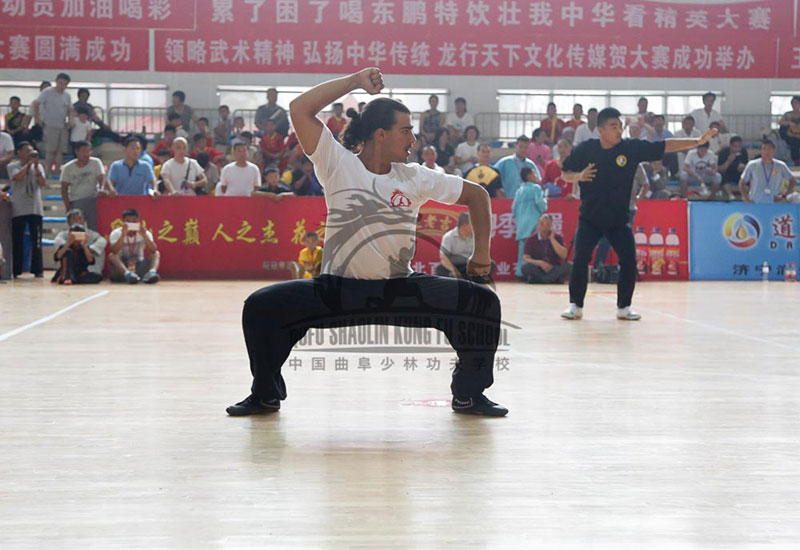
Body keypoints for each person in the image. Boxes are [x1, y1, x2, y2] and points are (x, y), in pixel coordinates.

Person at [227, 67, 506, 417]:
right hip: (336, 292)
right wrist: (353, 82)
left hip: (398, 290)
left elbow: (478, 196)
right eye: (406, 131)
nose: (413, 140)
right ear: (380, 134)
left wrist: (482, 256)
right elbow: (299, 109)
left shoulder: (414, 176)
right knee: (261, 306)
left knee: (482, 303)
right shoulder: (337, 163)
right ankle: (265, 394)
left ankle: (469, 394)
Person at [559, 107, 716, 321]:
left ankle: (624, 307)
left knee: (629, 260)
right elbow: (565, 173)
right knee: (580, 259)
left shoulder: (630, 148)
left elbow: (665, 146)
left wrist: (697, 141)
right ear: (602, 130)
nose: (619, 129)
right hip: (590, 218)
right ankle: (575, 305)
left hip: (618, 219)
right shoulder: (586, 149)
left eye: (620, 126)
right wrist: (579, 176)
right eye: (614, 126)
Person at [7, 142, 47, 278]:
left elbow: (43, 183)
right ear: (19, 152)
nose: (29, 154)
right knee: (17, 239)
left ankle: (37, 269)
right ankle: (17, 269)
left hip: (35, 207)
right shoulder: (13, 165)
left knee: (37, 240)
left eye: (31, 151)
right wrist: (28, 165)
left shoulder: (38, 166)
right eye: (26, 151)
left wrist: (36, 168)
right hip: (19, 207)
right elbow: (17, 177)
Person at [59, 141, 106, 229]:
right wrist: (68, 206)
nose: (86, 154)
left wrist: (102, 189)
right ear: (77, 152)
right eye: (84, 151)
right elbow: (64, 189)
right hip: (76, 201)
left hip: (93, 200)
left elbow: (101, 178)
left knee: (95, 227)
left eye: (88, 151)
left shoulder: (96, 162)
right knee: (77, 228)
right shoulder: (68, 167)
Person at [52, 209, 106, 285]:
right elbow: (58, 255)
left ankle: (75, 279)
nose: (77, 220)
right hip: (67, 269)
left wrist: (85, 246)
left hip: (81, 272)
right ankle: (68, 277)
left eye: (80, 218)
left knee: (98, 277)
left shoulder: (90, 234)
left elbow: (90, 260)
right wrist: (69, 242)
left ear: (84, 220)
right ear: (68, 221)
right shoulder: (64, 235)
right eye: (74, 218)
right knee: (68, 252)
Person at [435, 212, 496, 278]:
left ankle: (469, 279)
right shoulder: (448, 237)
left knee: (490, 264)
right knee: (440, 269)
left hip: (470, 266)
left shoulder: (476, 237)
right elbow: (444, 258)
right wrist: (454, 270)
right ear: (464, 225)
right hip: (455, 266)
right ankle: (465, 279)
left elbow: (480, 254)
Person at [512, 166, 547, 277]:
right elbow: (541, 205)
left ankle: (520, 272)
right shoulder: (536, 188)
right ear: (529, 176)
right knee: (536, 250)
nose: (536, 176)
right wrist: (545, 203)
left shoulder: (519, 191)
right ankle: (534, 274)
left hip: (521, 225)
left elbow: (514, 209)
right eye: (534, 174)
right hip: (534, 223)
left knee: (522, 251)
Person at [33, 72, 71, 175]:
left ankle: (58, 172)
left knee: (60, 151)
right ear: (56, 82)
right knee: (50, 150)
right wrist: (38, 119)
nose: (62, 85)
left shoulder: (67, 95)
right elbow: (36, 103)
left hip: (62, 125)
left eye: (64, 84)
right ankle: (47, 172)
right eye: (60, 83)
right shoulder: (47, 92)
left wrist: (70, 120)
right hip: (50, 125)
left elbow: (70, 109)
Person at [108, 208, 160, 284]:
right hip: (122, 267)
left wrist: (144, 235)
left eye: (134, 221)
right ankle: (128, 275)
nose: (131, 224)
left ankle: (152, 273)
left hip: (139, 265)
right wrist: (123, 235)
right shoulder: (116, 233)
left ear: (138, 221)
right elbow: (114, 251)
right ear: (123, 221)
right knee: (111, 255)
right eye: (128, 221)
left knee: (156, 253)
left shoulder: (145, 232)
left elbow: (153, 250)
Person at [520, 214, 571, 284]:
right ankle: (552, 279)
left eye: (547, 224)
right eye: (542, 224)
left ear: (551, 226)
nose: (544, 227)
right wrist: (540, 263)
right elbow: (525, 258)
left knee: (570, 266)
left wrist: (552, 239)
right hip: (539, 269)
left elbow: (564, 255)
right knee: (525, 267)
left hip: (554, 268)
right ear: (538, 225)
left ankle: (540, 280)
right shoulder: (531, 239)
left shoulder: (557, 237)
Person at [715, 136, 748, 201]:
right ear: (730, 146)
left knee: (746, 175)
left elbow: (747, 165)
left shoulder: (743, 152)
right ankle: (730, 194)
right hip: (727, 173)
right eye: (735, 146)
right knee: (722, 175)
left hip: (738, 173)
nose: (737, 149)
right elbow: (720, 169)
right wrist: (729, 161)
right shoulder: (723, 152)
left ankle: (745, 195)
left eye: (739, 146)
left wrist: (744, 167)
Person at [778, 95, 800, 165]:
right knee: (793, 140)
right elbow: (780, 122)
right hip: (790, 134)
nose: (794, 105)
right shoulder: (788, 114)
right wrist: (789, 123)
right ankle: (796, 160)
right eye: (793, 103)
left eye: (796, 103)